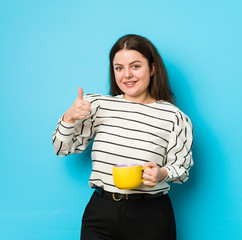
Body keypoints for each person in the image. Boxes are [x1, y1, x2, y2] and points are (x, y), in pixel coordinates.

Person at [52, 34, 193, 240]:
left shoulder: (174, 117)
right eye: (119, 68)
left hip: (151, 215)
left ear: (152, 69)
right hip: (101, 212)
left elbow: (182, 170)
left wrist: (161, 174)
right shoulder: (97, 105)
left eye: (135, 66)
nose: (126, 75)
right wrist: (69, 117)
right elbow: (62, 148)